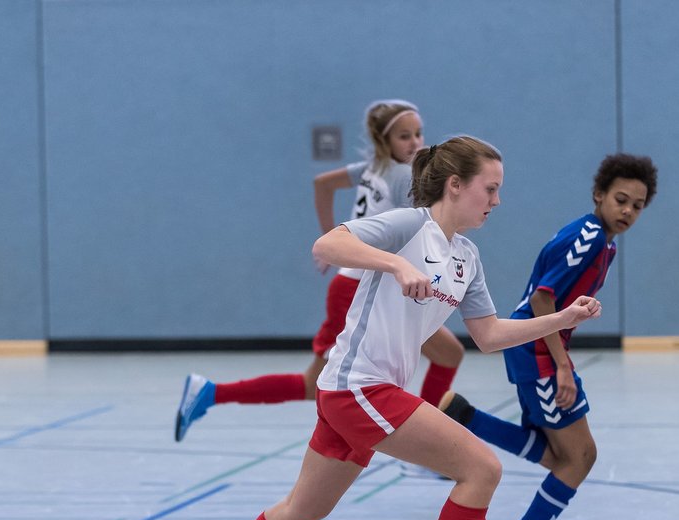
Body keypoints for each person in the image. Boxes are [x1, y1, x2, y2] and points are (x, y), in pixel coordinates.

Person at [188, 136, 604, 520]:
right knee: (482, 469)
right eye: (489, 189)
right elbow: (326, 245)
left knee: (304, 509)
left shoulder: (467, 257)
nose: (497, 202)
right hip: (358, 386)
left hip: (355, 392)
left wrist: (565, 317)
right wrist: (395, 263)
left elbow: (489, 335)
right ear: (455, 186)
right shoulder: (411, 226)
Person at [174, 100, 464, 441]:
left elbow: (322, 183)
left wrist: (333, 238)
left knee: (443, 355)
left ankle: (209, 393)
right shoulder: (402, 177)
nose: (415, 142)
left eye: (418, 133)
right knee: (443, 355)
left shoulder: (372, 168)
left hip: (360, 285)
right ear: (384, 142)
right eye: (404, 136)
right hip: (361, 290)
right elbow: (420, 233)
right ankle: (426, 442)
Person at [439, 153, 658, 520]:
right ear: (599, 195)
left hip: (534, 347)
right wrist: (561, 365)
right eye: (621, 199)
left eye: (638, 204)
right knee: (579, 457)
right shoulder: (590, 238)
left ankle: (464, 417)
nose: (629, 210)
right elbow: (543, 298)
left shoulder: (601, 239)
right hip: (538, 350)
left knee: (563, 456)